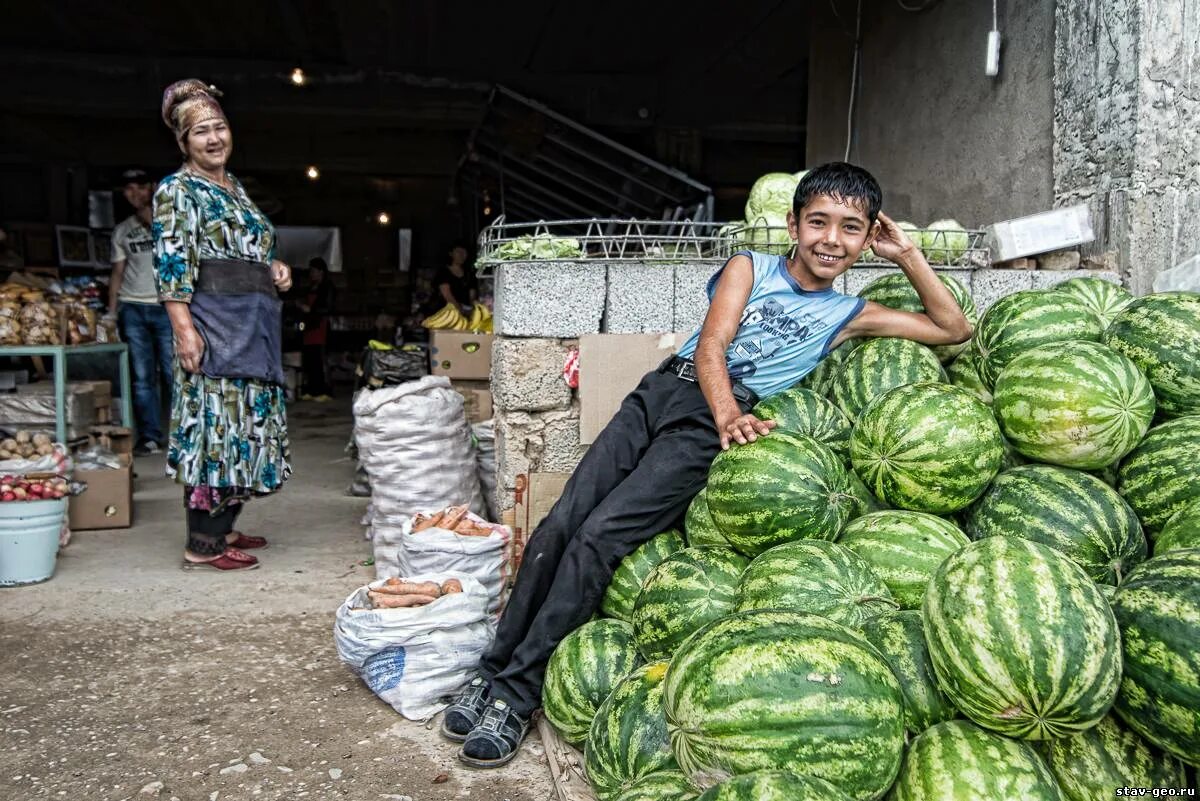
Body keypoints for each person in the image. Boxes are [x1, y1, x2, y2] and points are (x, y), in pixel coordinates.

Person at [441, 162, 973, 767]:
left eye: (851, 229)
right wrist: (727, 414)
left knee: (598, 540)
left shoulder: (847, 316)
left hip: (706, 429)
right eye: (819, 222)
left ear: (866, 236)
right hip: (666, 393)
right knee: (560, 524)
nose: (832, 239)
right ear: (795, 225)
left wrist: (906, 254)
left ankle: (516, 695)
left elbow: (953, 328)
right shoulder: (751, 266)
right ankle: (490, 671)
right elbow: (713, 345)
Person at [153, 79, 293, 572]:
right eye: (200, 132)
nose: (214, 139)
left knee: (247, 426)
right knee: (214, 429)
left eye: (220, 127)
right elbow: (172, 263)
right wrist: (183, 329)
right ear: (184, 142)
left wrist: (275, 267)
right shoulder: (177, 190)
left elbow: (252, 247)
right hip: (211, 322)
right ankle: (203, 543)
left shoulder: (234, 188)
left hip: (251, 323)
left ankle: (226, 521)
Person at [110, 168, 174, 455]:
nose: (134, 194)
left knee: (175, 374)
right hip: (133, 308)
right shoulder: (122, 230)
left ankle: (183, 435)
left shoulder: (171, 221)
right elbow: (117, 273)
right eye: (128, 190)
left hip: (166, 307)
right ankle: (149, 436)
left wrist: (151, 212)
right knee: (142, 377)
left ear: (152, 188)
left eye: (140, 188)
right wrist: (112, 314)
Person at [297, 256, 335, 401]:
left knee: (320, 359)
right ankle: (312, 390)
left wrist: (310, 310)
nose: (311, 274)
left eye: (313, 271)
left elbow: (327, 308)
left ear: (321, 272)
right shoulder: (310, 288)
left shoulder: (327, 287)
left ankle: (324, 391)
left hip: (321, 327)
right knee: (310, 359)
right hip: (309, 327)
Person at [435, 243, 477, 313]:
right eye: (458, 251)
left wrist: (473, 309)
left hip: (466, 309)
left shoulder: (469, 273)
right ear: (451, 254)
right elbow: (447, 295)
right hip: (445, 310)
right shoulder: (443, 272)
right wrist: (459, 309)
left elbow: (472, 296)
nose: (461, 255)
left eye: (464, 252)